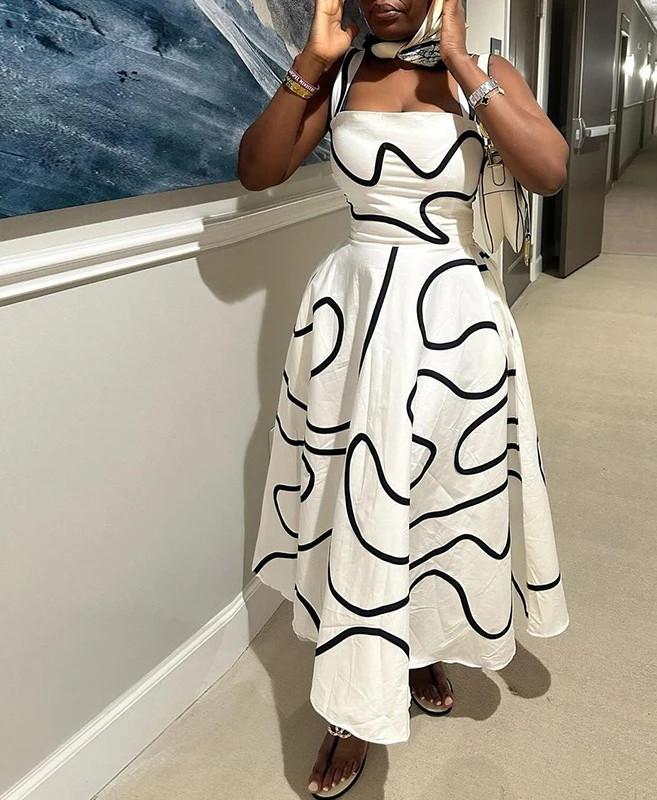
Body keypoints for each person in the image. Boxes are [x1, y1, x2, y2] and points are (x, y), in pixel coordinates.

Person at [238, 0, 570, 796]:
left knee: (438, 497)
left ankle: (420, 647)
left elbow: (549, 171)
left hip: (452, 324)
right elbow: (258, 170)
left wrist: (458, 62)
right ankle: (352, 707)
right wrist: (310, 64)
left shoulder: (486, 69)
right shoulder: (343, 69)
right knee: (360, 504)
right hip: (354, 320)